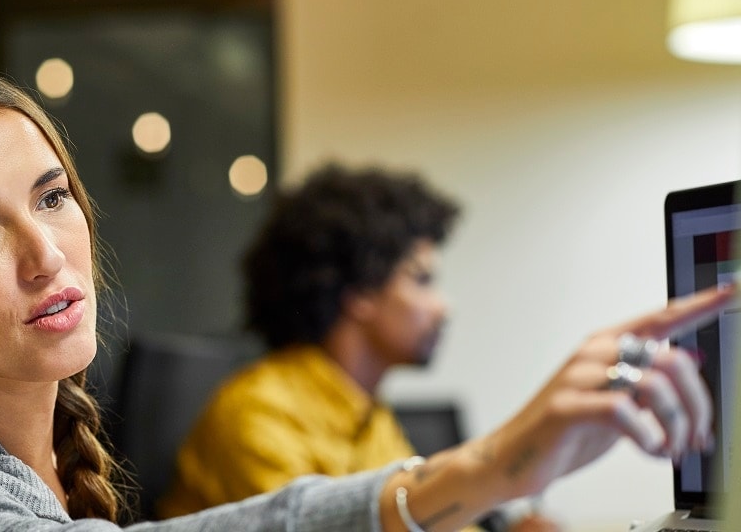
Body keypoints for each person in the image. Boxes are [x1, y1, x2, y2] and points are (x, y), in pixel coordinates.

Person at [0, 70, 735, 532]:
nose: (47, 254)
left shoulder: (33, 454)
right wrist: (489, 464)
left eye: (53, 198)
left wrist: (495, 473)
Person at [159, 165, 547, 530]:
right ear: (361, 290)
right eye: (422, 280)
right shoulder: (256, 414)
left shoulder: (368, 414)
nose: (443, 306)